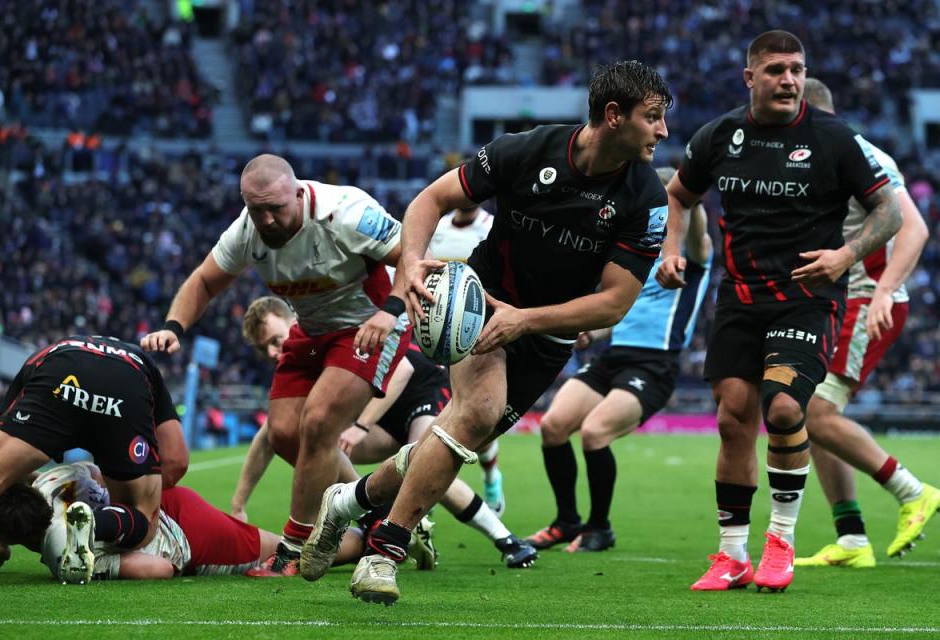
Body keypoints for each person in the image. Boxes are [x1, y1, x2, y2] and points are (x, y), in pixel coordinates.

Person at [299, 59, 674, 605]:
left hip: (547, 334)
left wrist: (527, 320)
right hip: (479, 301)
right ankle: (384, 552)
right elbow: (430, 200)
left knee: (452, 440)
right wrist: (409, 262)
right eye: (654, 117)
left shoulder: (646, 199)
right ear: (614, 116)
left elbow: (614, 302)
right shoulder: (526, 151)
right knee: (473, 414)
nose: (663, 131)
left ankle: (348, 500)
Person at [656, 31, 902, 592]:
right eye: (775, 70)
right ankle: (731, 555)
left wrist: (846, 254)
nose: (788, 79)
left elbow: (888, 211)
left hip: (808, 299)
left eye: (796, 69)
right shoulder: (721, 135)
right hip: (739, 299)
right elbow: (678, 193)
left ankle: (781, 543)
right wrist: (672, 250)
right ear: (751, 78)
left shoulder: (834, 138)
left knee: (786, 408)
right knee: (731, 418)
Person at [141, 154, 413, 577]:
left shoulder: (347, 212)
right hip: (311, 328)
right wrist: (174, 325)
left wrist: (391, 311)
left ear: (299, 192)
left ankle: (294, 547)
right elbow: (204, 280)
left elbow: (412, 253)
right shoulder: (247, 232)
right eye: (256, 209)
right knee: (284, 433)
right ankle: (377, 513)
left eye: (276, 208)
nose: (266, 220)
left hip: (368, 323)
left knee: (319, 422)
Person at [235, 296, 536, 568]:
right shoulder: (296, 360)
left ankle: (507, 539)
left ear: (293, 320)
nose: (274, 352)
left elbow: (402, 370)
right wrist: (238, 506)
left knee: (427, 461)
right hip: (382, 416)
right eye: (265, 348)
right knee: (314, 439)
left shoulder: (322, 330)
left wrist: (360, 426)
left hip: (420, 392)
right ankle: (377, 516)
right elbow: (271, 433)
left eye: (276, 339)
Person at [528, 166, 712, 552]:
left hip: (654, 364)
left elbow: (692, 211)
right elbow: (619, 314)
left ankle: (599, 528)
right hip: (613, 356)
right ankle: (565, 522)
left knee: (595, 433)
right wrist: (591, 332)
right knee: (553, 426)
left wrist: (683, 192)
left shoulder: (691, 256)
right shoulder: (638, 254)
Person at [791, 79, 935, 569]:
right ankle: (851, 538)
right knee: (810, 414)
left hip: (865, 297)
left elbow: (914, 227)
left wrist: (884, 292)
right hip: (839, 298)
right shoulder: (825, 153)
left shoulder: (855, 152)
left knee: (813, 413)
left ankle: (912, 491)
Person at [0, 335, 189, 584]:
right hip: (125, 383)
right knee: (141, 519)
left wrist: (0, 538)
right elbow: (176, 461)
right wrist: (129, 483)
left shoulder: (50, 351)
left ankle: (90, 526)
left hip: (58, 369)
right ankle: (102, 524)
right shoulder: (143, 362)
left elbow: (10, 472)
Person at [0, 461, 356, 580]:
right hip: (162, 502)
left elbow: (160, 568)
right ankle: (105, 520)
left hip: (187, 540)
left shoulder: (60, 553)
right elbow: (94, 470)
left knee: (294, 553)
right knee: (284, 544)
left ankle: (366, 539)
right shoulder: (49, 481)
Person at [429, 204, 504, 514]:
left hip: (476, 332)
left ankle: (490, 474)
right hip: (437, 331)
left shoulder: (492, 226)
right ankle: (425, 485)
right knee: (433, 413)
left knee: (478, 421)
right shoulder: (438, 229)